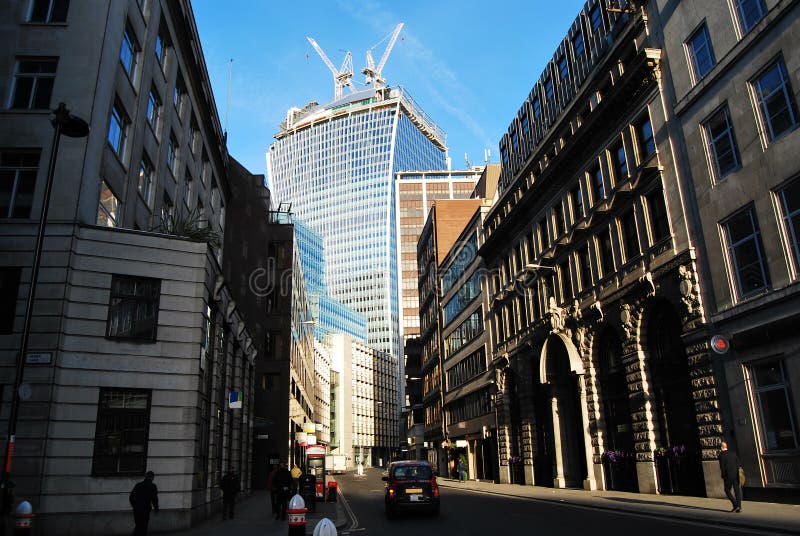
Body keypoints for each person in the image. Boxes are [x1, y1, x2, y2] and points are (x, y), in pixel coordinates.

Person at [129, 471, 159, 536]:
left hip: (137, 508)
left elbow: (131, 497)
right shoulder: (153, 486)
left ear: (146, 476)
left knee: (138, 525)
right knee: (144, 526)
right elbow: (155, 499)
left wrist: (134, 505)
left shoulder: (138, 485)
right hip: (146, 509)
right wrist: (156, 509)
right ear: (152, 478)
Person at [718, 441, 742, 513]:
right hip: (736, 475)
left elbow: (722, 467)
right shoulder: (733, 453)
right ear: (726, 447)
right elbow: (738, 464)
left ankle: (735, 505)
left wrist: (723, 475)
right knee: (737, 491)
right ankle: (739, 507)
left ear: (721, 448)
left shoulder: (721, 455)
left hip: (728, 476)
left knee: (727, 490)